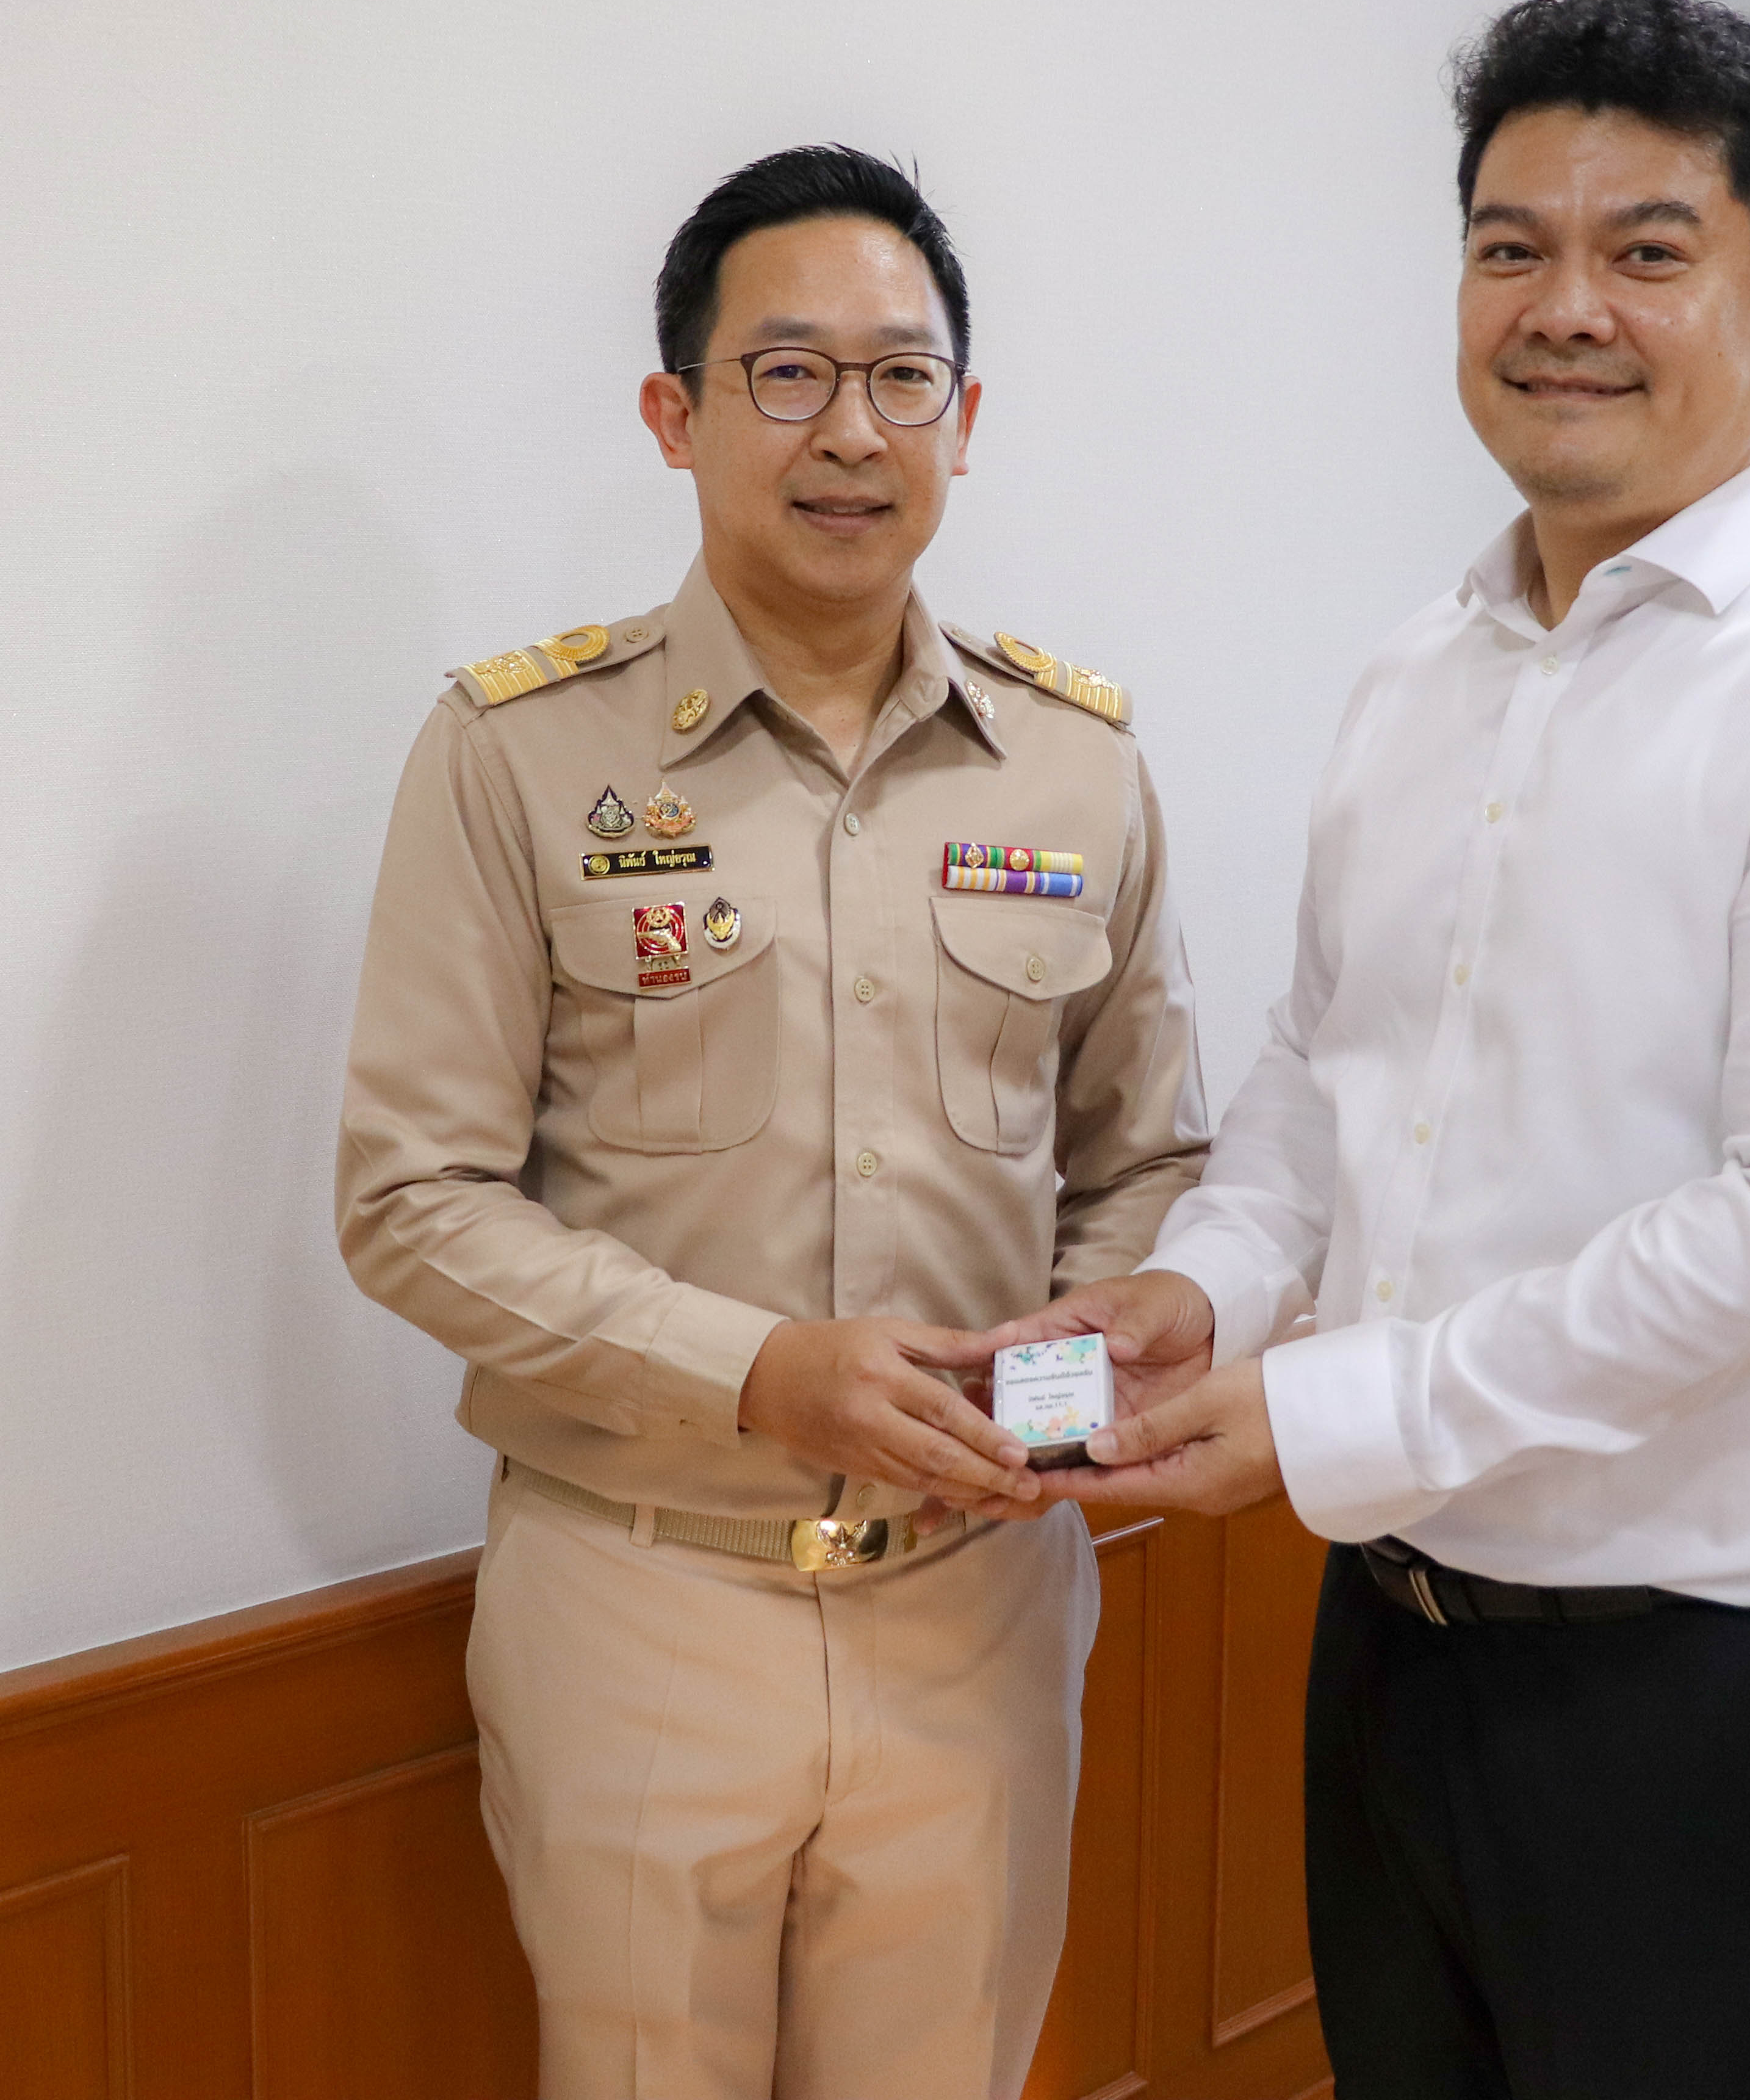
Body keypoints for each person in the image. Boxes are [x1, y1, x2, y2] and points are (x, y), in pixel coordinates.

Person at [973, 0, 1750, 2099]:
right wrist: (1203, 1293)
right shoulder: (1426, 669)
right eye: (1511, 248)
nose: (1566, 308)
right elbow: (1326, 1068)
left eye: (1648, 252)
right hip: (1400, 1631)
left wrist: (1345, 1408)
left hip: (1724, 1682)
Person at [334, 144, 1208, 2100]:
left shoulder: (1075, 766)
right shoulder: (516, 755)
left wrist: (1053, 1399)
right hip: (642, 1589)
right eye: (789, 373)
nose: (852, 432)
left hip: (979, 1595)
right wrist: (757, 1373)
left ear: (965, 422)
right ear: (678, 415)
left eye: (903, 378)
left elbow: (1150, 1161)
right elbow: (411, 1198)